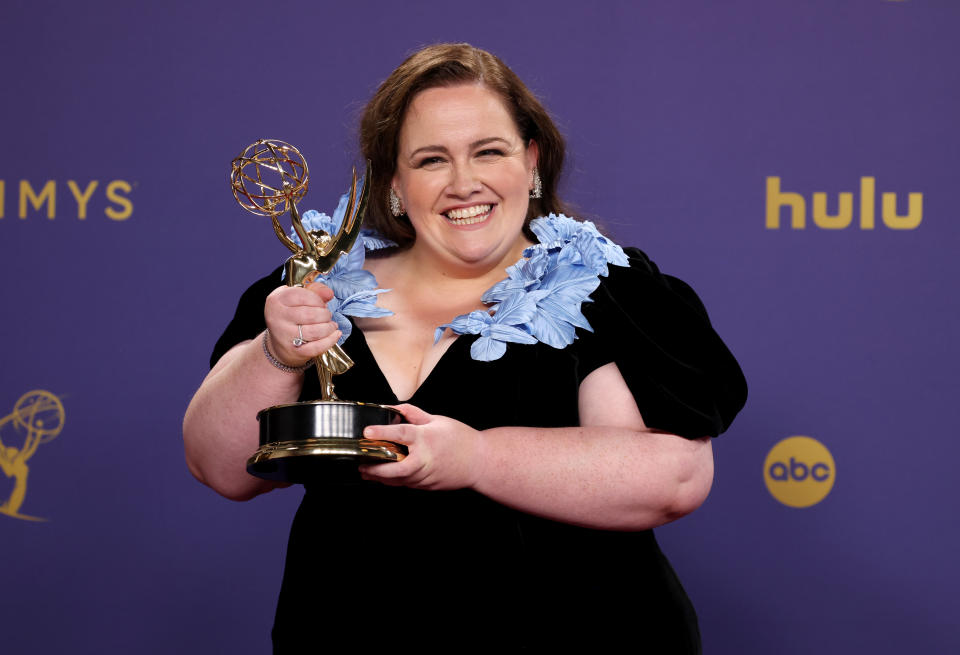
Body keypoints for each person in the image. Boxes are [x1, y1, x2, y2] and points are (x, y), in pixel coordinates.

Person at [184, 43, 747, 653]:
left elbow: (674, 479)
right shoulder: (313, 286)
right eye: (431, 160)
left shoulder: (607, 289)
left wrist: (476, 458)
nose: (463, 183)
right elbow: (219, 468)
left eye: (489, 151)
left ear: (531, 161)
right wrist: (277, 354)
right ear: (395, 182)